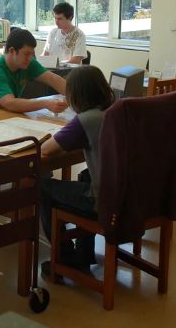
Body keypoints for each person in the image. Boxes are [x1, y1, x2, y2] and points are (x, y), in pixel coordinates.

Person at [38, 65, 114, 275]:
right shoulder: (116, 112)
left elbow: (46, 150)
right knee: (86, 176)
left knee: (42, 186)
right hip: (134, 195)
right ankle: (83, 253)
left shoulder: (86, 120)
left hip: (105, 201)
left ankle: (64, 257)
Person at [0, 28, 67, 113]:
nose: (30, 58)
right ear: (12, 51)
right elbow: (10, 103)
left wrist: (75, 98)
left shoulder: (27, 63)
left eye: (32, 54)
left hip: (8, 116)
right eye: (26, 54)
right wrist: (45, 103)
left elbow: (52, 79)